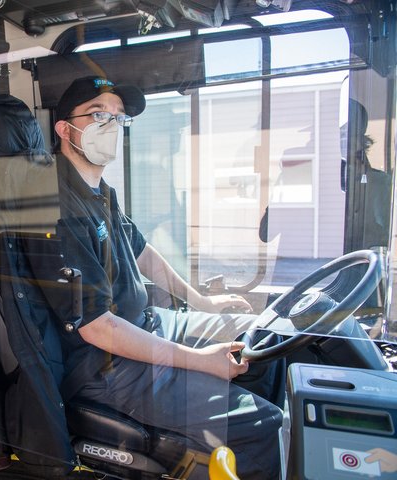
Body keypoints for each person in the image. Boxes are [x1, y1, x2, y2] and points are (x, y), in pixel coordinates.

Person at [51, 76, 283, 479]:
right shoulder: (60, 206)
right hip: (108, 366)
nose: (111, 127)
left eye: (119, 119)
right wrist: (199, 362)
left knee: (263, 335)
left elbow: (142, 252)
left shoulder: (100, 190)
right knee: (262, 423)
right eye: (99, 114)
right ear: (65, 128)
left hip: (152, 325)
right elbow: (96, 327)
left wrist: (202, 302)